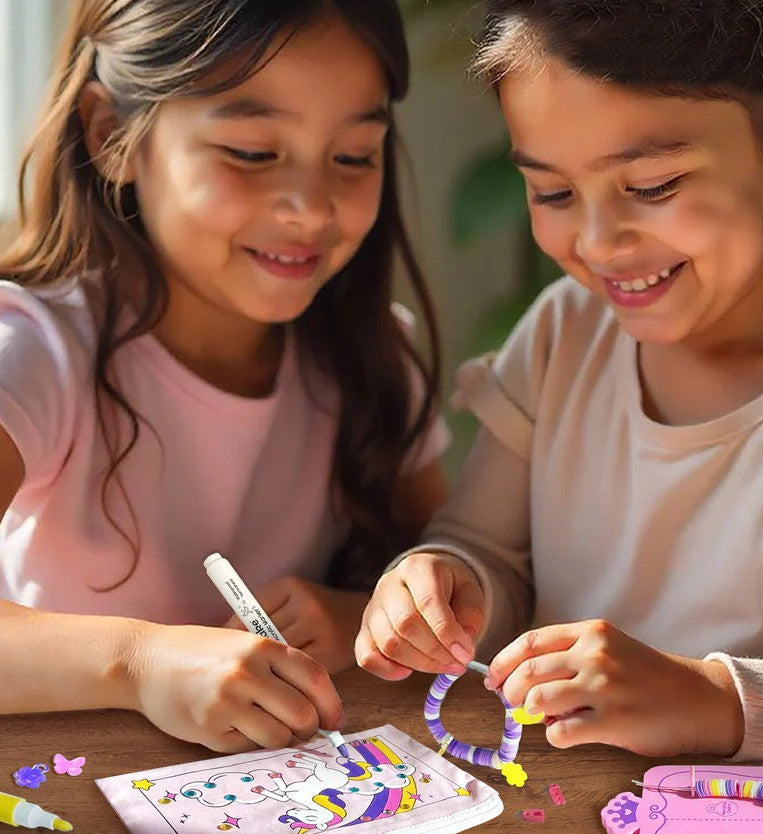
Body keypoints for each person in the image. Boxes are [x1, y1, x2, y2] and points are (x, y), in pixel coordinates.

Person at [357, 0, 763, 763]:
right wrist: (447, 587)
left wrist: (713, 700)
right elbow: (486, 552)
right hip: (570, 831)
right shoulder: (563, 333)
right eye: (552, 193)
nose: (598, 242)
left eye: (652, 185)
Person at [0, 0, 448, 753]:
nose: (310, 209)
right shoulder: (33, 349)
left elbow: (462, 570)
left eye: (353, 156)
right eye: (250, 151)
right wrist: (141, 664)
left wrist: (366, 616)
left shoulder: (373, 357)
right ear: (111, 135)